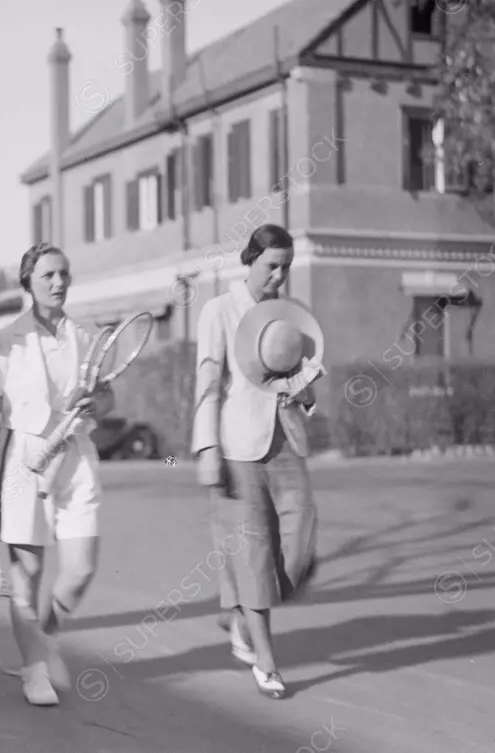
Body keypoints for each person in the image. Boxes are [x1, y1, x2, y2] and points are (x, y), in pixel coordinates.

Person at [0, 242, 114, 706]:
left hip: (76, 457)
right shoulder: (2, 343)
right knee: (27, 575)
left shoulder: (87, 335)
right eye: (48, 275)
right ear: (28, 283)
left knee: (81, 569)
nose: (58, 282)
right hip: (24, 461)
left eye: (64, 274)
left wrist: (98, 403)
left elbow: (107, 397)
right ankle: (34, 669)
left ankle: (47, 635)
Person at [191, 223, 321, 700]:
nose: (279, 275)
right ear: (250, 261)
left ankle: (243, 610)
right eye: (271, 266)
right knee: (253, 556)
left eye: (285, 267)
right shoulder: (219, 311)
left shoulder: (293, 314)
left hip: (284, 442)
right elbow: (207, 383)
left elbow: (305, 384)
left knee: (302, 537)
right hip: (236, 447)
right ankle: (266, 660)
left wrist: (308, 391)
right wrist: (206, 447)